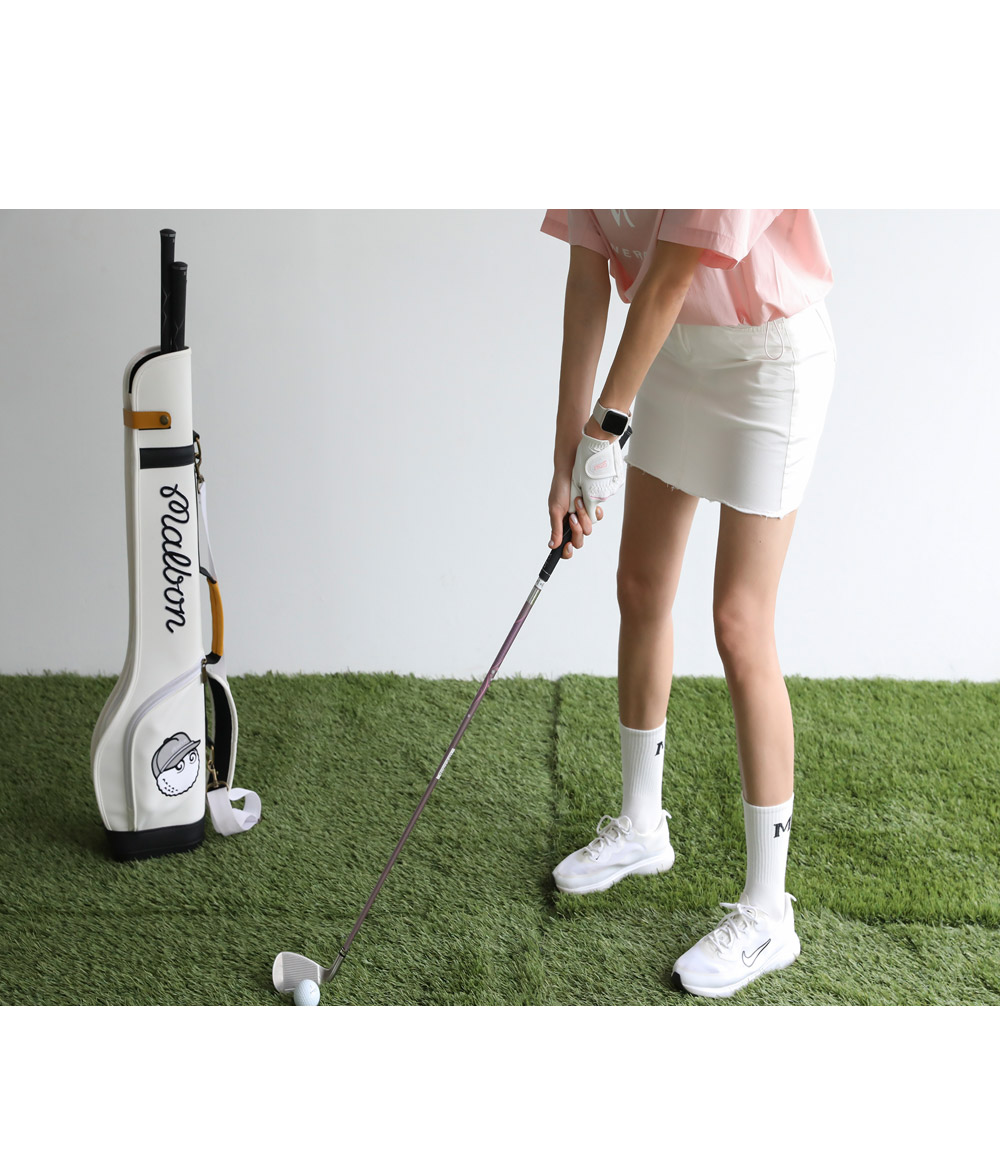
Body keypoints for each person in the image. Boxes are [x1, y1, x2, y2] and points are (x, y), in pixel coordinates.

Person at [541, 210, 837, 998]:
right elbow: (587, 282)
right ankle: (643, 826)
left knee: (740, 621)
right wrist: (569, 453)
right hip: (670, 348)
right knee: (640, 585)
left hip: (768, 361)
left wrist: (606, 425)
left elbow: (671, 273)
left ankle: (770, 912)